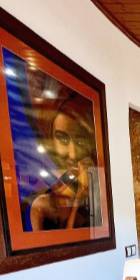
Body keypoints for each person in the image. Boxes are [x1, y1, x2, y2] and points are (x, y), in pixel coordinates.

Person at [27, 93, 99, 231]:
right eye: (63, 139)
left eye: (80, 142)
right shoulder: (43, 204)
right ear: (51, 141)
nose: (73, 154)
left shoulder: (99, 180)